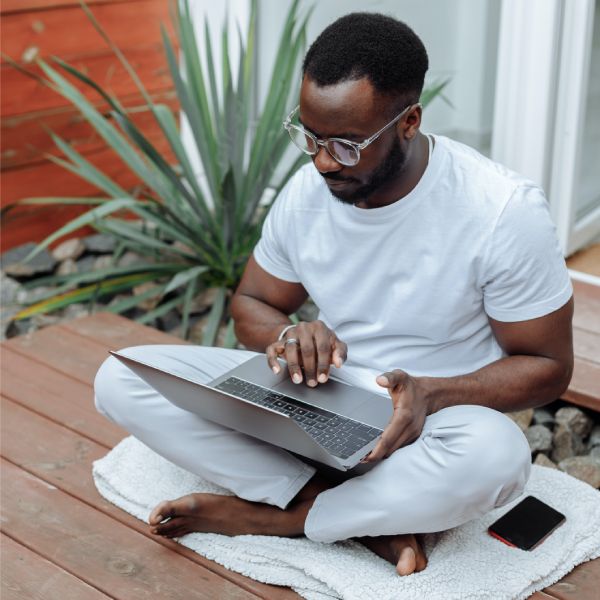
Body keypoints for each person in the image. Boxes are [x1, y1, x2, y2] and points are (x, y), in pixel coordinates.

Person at [94, 13, 574, 576]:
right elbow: (252, 302)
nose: (323, 162)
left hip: (434, 421)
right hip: (322, 397)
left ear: (409, 122)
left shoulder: (501, 211)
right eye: (311, 137)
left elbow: (547, 367)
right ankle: (346, 509)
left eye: (347, 145)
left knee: (498, 457)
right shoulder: (308, 192)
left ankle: (283, 516)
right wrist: (288, 335)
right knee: (122, 377)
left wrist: (430, 393)